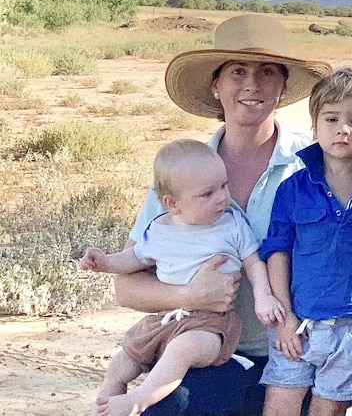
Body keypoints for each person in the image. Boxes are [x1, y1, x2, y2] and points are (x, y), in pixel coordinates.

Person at [114, 14, 352, 416]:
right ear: (216, 86)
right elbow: (125, 289)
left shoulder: (326, 159)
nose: (252, 84)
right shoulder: (184, 172)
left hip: (300, 341)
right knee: (170, 405)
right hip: (214, 349)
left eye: (267, 72)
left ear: (283, 86)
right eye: (237, 71)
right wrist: (189, 296)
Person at [81, 139, 286, 416]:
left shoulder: (232, 225)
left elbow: (253, 263)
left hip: (210, 325)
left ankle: (139, 401)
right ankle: (106, 407)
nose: (222, 198)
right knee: (122, 363)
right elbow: (135, 259)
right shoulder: (160, 229)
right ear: (173, 204)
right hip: (167, 318)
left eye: (224, 186)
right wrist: (106, 263)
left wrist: (263, 297)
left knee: (182, 350)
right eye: (207, 193)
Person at [259, 66, 352, 416]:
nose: (342, 129)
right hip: (299, 320)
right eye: (331, 119)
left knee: (330, 408)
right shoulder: (293, 188)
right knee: (281, 403)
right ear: (315, 125)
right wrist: (285, 318)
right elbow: (278, 250)